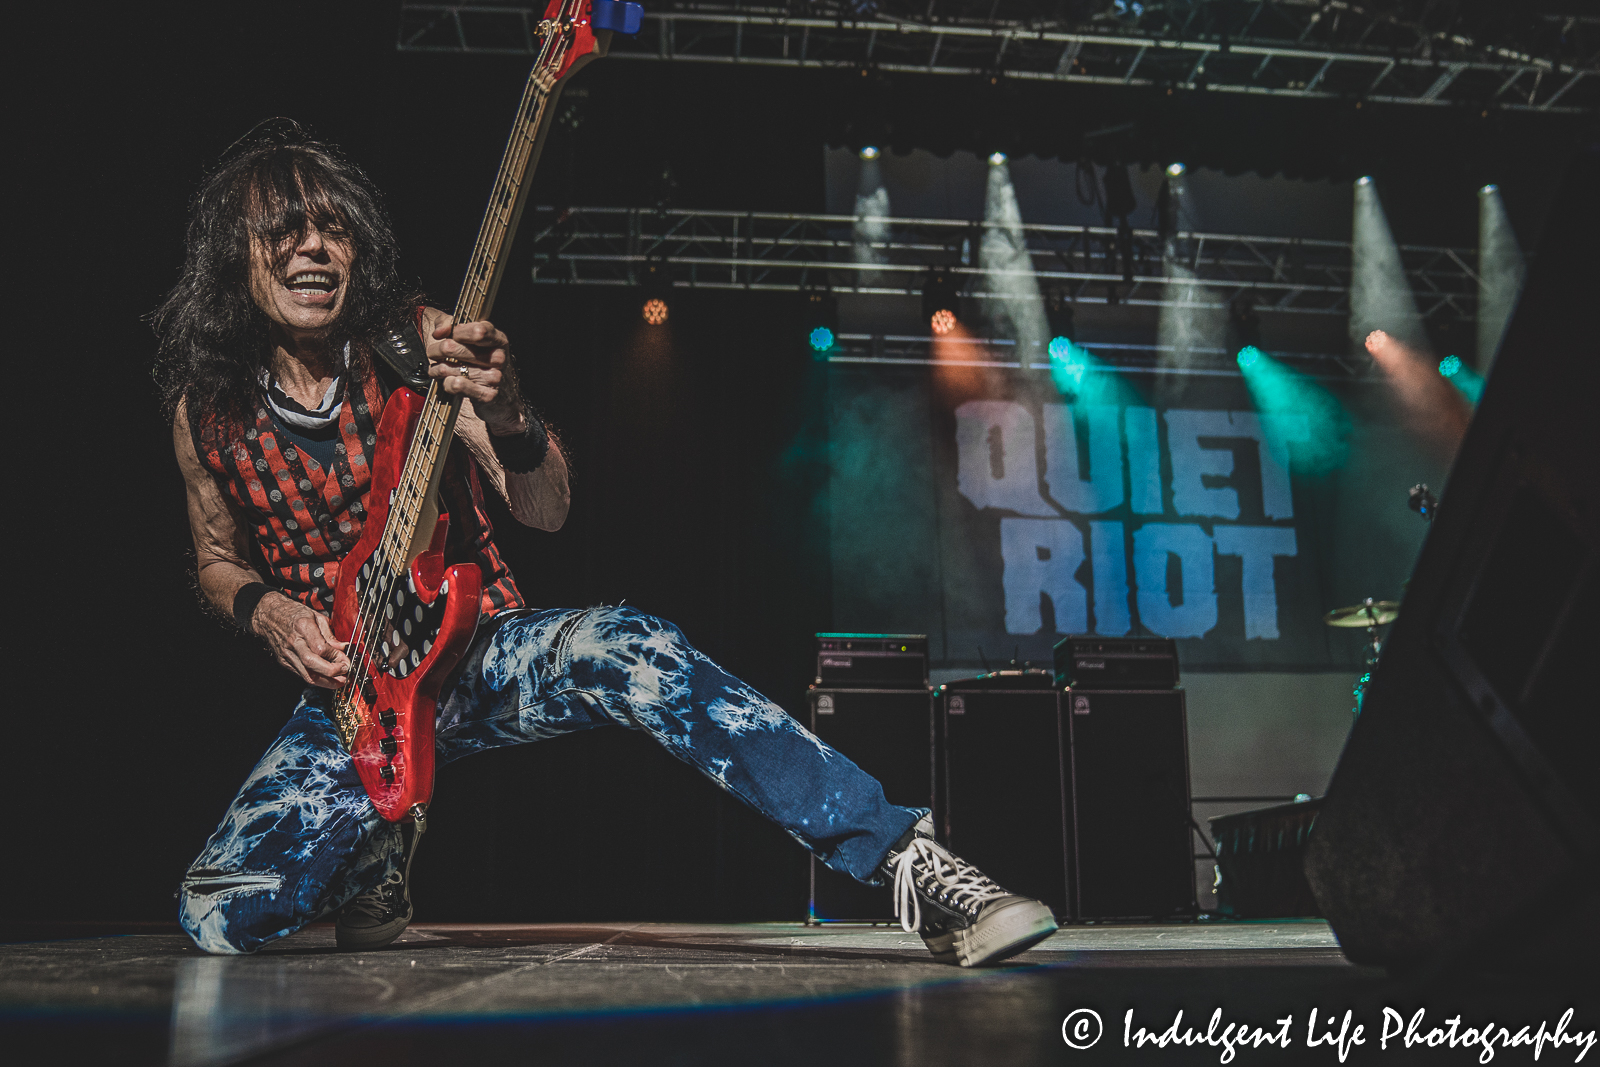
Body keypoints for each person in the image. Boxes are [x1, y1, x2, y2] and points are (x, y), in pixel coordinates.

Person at [157, 125, 1057, 966]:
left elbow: (546, 507)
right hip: (354, 697)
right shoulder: (209, 410)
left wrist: (508, 413)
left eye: (332, 229)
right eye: (284, 231)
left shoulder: (414, 344)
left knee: (632, 647)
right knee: (215, 911)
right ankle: (375, 843)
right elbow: (215, 556)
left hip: (474, 653)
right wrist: (265, 606)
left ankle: (911, 863)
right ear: (237, 256)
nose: (313, 248)